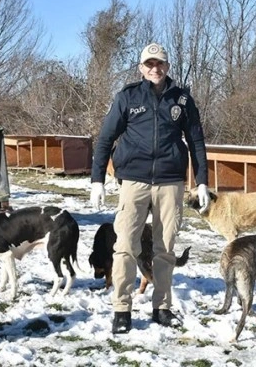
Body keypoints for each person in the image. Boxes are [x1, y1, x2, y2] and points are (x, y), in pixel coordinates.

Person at [90, 43, 211, 334]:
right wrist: (97, 180)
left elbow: (196, 142)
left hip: (170, 181)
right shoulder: (128, 97)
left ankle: (162, 307)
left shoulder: (182, 99)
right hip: (134, 181)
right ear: (141, 68)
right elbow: (105, 138)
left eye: (160, 64)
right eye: (149, 64)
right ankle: (121, 309)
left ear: (167, 67)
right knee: (125, 247)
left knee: (165, 248)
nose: (155, 69)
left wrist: (202, 180)